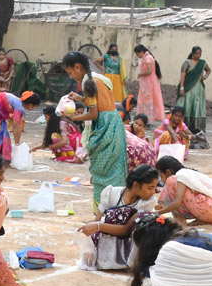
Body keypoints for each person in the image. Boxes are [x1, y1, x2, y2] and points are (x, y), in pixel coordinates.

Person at [63, 52, 127, 208]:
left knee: (103, 171)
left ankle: (103, 209)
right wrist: (80, 98)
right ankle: (117, 207)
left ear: (77, 67)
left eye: (71, 72)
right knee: (114, 170)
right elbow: (100, 102)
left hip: (105, 127)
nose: (71, 77)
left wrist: (72, 118)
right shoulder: (99, 78)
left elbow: (94, 113)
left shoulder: (89, 83)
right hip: (114, 125)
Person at [75, 164, 159, 272]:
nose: (153, 192)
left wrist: (98, 226)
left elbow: (125, 230)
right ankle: (101, 257)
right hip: (105, 243)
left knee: (143, 222)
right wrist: (89, 244)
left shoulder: (147, 202)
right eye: (150, 188)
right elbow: (98, 220)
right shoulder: (111, 193)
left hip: (128, 245)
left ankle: (126, 261)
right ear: (136, 185)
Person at [155, 156, 212, 224]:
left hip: (207, 210)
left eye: (161, 176)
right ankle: (202, 219)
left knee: (170, 181)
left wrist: (157, 213)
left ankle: (180, 219)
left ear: (168, 172)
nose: (162, 180)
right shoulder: (188, 173)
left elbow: (176, 203)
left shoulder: (180, 176)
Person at [175, 47, 210, 141]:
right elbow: (182, 76)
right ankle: (182, 125)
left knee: (197, 107)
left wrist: (205, 77)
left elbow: (208, 70)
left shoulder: (202, 63)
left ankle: (196, 128)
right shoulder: (187, 63)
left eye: (200, 54)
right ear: (193, 54)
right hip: (188, 88)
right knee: (185, 105)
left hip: (199, 89)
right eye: (197, 54)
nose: (198, 56)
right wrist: (182, 87)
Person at [133, 45, 165, 123]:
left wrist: (140, 74)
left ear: (141, 52)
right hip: (146, 82)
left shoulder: (148, 58)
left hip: (149, 82)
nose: (138, 56)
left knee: (148, 98)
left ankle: (148, 118)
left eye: (138, 54)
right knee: (145, 98)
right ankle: (144, 115)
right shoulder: (146, 57)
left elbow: (149, 71)